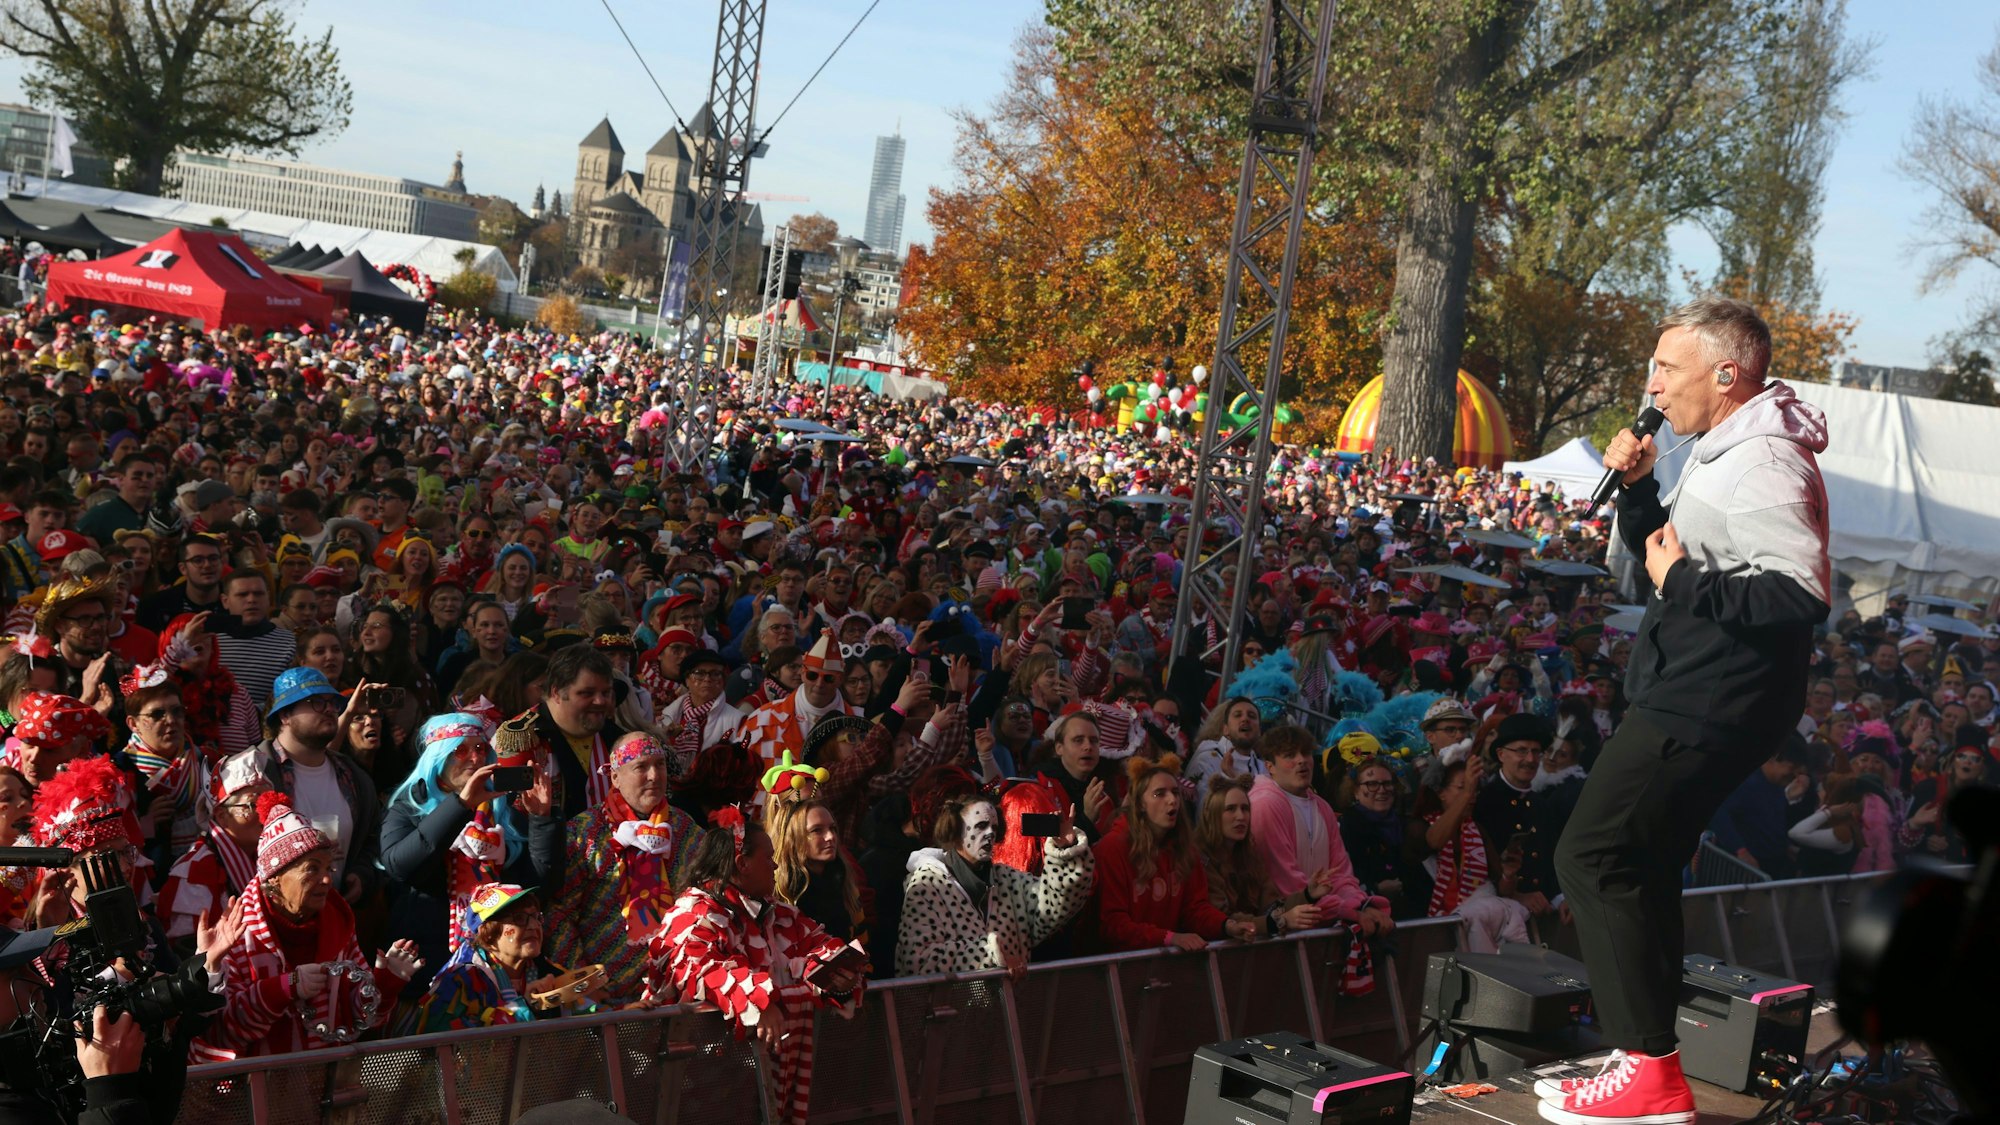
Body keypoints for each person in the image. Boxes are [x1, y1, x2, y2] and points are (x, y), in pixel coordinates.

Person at [1545, 297, 1830, 1125]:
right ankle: (1648, 1063)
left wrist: (1684, 582)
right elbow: (1666, 553)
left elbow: (1800, 593)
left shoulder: (1766, 459)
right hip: (1697, 688)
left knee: (1591, 855)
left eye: (1667, 368)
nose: (1654, 386)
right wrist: (1638, 495)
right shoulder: (1726, 448)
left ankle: (1647, 1069)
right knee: (1640, 865)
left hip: (1709, 698)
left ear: (1726, 373)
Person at [645, 809, 863, 1125]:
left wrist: (839, 976)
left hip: (758, 1086)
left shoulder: (779, 914)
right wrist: (760, 1001)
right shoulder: (691, 913)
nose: (776, 866)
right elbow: (694, 965)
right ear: (742, 863)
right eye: (768, 858)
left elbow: (822, 947)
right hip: (699, 1088)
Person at [193, 794, 422, 1060]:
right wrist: (283, 988)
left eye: (328, 868)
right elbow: (222, 1033)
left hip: (324, 1079)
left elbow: (358, 1022)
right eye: (312, 869)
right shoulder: (238, 935)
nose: (327, 879)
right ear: (274, 879)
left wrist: (385, 985)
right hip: (257, 1083)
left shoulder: (338, 925)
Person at [380, 713, 561, 990]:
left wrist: (541, 819)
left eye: (480, 748)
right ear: (437, 758)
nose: (475, 758)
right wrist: (460, 805)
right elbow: (401, 867)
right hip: (430, 964)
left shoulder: (503, 811)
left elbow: (540, 886)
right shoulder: (409, 809)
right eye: (460, 750)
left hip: (502, 967)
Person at [547, 730, 706, 1004]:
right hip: (606, 997)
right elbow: (558, 914)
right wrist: (584, 983)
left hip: (677, 990)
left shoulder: (686, 830)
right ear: (615, 777)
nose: (654, 776)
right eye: (641, 767)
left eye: (659, 765)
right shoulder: (584, 834)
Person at [232, 667, 385, 908]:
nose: (329, 709)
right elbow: (232, 847)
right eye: (316, 702)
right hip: (272, 916)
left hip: (338, 915)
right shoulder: (251, 773)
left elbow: (373, 837)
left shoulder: (353, 776)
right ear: (285, 715)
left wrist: (361, 874)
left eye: (332, 703)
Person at [897, 790, 1093, 975]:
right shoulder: (927, 885)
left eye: (995, 827)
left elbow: (1053, 905)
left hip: (1010, 999)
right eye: (981, 826)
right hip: (956, 1001)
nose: (990, 833)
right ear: (955, 830)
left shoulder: (1008, 880)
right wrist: (991, 955)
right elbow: (917, 961)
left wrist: (1066, 850)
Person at [1091, 755, 1256, 952]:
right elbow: (1112, 925)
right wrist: (1168, 938)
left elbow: (1195, 910)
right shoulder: (1111, 849)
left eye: (1175, 792)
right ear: (1140, 803)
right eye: (1159, 794)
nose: (1172, 800)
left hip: (1165, 962)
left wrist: (1227, 926)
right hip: (1116, 964)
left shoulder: (1185, 850)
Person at [1247, 725, 1394, 938]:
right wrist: (1346, 910)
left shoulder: (1322, 807)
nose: (1301, 760)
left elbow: (1340, 873)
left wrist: (1360, 905)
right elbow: (1286, 883)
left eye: (1306, 753)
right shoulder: (1265, 804)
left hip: (1321, 929)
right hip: (1279, 934)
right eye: (1290, 755)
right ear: (1270, 766)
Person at [410, 882, 607, 1033]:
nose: (534, 926)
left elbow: (581, 1015)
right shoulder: (461, 979)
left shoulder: (545, 970)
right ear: (488, 934)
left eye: (536, 917)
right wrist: (523, 1007)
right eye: (519, 919)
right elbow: (441, 1040)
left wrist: (607, 1015)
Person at [1194, 775, 1331, 938]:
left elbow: (1270, 907)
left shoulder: (1250, 857)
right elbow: (1224, 921)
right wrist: (1278, 922)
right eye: (1230, 809)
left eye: (1245, 808)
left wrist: (1308, 895)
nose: (1241, 816)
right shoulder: (1200, 859)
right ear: (1212, 814)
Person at [767, 796, 868, 943]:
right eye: (817, 830)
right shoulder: (777, 892)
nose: (830, 836)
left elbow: (861, 941)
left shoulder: (844, 879)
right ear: (792, 838)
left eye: (832, 828)